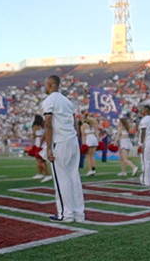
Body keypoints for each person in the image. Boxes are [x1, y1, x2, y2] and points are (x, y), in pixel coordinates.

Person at [43, 75, 85, 223]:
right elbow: (75, 124)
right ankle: (79, 213)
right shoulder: (68, 101)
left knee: (61, 179)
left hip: (60, 142)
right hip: (72, 140)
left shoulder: (49, 101)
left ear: (49, 84)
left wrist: (48, 148)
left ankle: (65, 213)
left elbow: (48, 124)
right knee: (74, 177)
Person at [31, 115, 52, 183]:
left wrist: (33, 143)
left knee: (40, 160)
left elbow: (34, 135)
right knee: (41, 160)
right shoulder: (44, 126)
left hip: (38, 143)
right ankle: (39, 173)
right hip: (44, 144)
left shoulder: (35, 126)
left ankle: (48, 175)